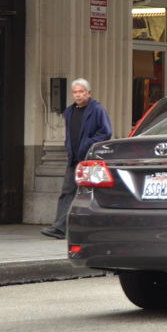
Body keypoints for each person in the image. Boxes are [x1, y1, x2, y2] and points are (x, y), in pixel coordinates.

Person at [41, 78, 112, 239]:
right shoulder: (69, 112)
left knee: (94, 193)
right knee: (67, 193)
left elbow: (106, 132)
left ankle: (99, 228)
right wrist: (69, 148)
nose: (78, 95)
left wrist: (87, 143)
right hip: (74, 159)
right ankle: (59, 228)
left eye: (81, 92)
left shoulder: (97, 110)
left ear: (88, 93)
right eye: (75, 92)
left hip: (90, 160)